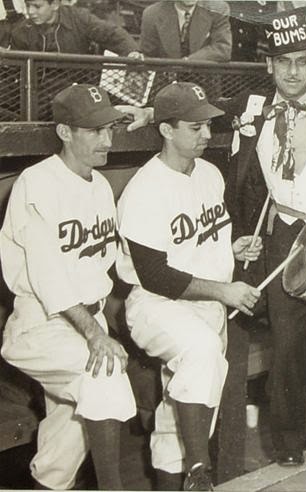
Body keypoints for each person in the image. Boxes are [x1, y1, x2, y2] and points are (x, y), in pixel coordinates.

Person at [216, 7, 306, 468]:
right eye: (283, 62)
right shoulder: (250, 112)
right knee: (288, 344)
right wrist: (244, 236)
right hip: (282, 235)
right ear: (269, 66)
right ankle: (289, 442)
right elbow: (240, 180)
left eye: (302, 61)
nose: (293, 71)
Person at [115, 82, 261, 491]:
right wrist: (223, 291)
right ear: (165, 129)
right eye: (194, 127)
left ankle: (180, 477)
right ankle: (200, 472)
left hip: (206, 305)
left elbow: (193, 243)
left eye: (208, 126)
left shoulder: (209, 175)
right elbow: (154, 275)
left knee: (177, 414)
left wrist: (233, 246)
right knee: (202, 353)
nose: (206, 135)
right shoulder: (146, 188)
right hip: (159, 307)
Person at [0, 84, 136, 490]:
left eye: (110, 129)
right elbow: (47, 278)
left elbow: (112, 259)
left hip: (85, 322)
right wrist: (96, 336)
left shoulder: (97, 187)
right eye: (95, 131)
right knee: (106, 379)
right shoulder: (36, 183)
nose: (107, 140)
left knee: (67, 441)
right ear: (64, 132)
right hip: (42, 322)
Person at [10, 0, 142, 57]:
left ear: (55, 4)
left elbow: (111, 34)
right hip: (39, 93)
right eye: (28, 6)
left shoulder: (79, 18)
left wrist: (132, 51)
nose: (30, 12)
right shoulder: (21, 31)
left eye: (37, 6)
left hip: (77, 88)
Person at [140, 0, 231, 61]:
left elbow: (222, 48)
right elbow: (147, 55)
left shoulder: (217, 9)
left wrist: (188, 61)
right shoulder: (152, 14)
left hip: (205, 82)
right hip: (167, 82)